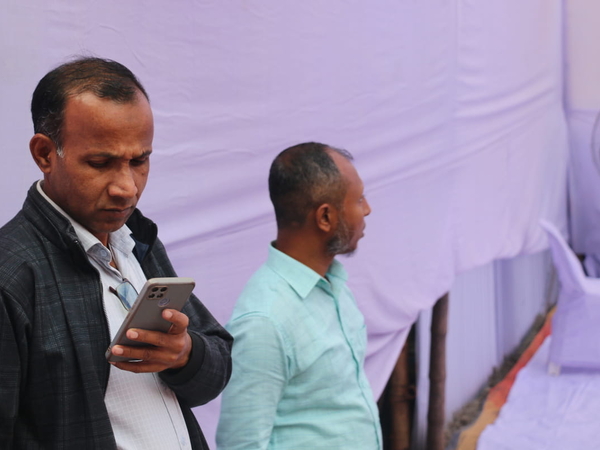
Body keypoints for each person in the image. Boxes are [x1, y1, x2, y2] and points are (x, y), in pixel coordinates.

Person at [0, 57, 233, 449]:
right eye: (100, 162)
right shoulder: (12, 276)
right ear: (44, 154)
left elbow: (217, 369)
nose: (127, 188)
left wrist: (183, 354)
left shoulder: (136, 239)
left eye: (139, 161)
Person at [216, 142, 382, 449]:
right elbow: (241, 444)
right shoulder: (264, 322)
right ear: (325, 217)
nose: (368, 209)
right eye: (359, 199)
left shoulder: (333, 285)